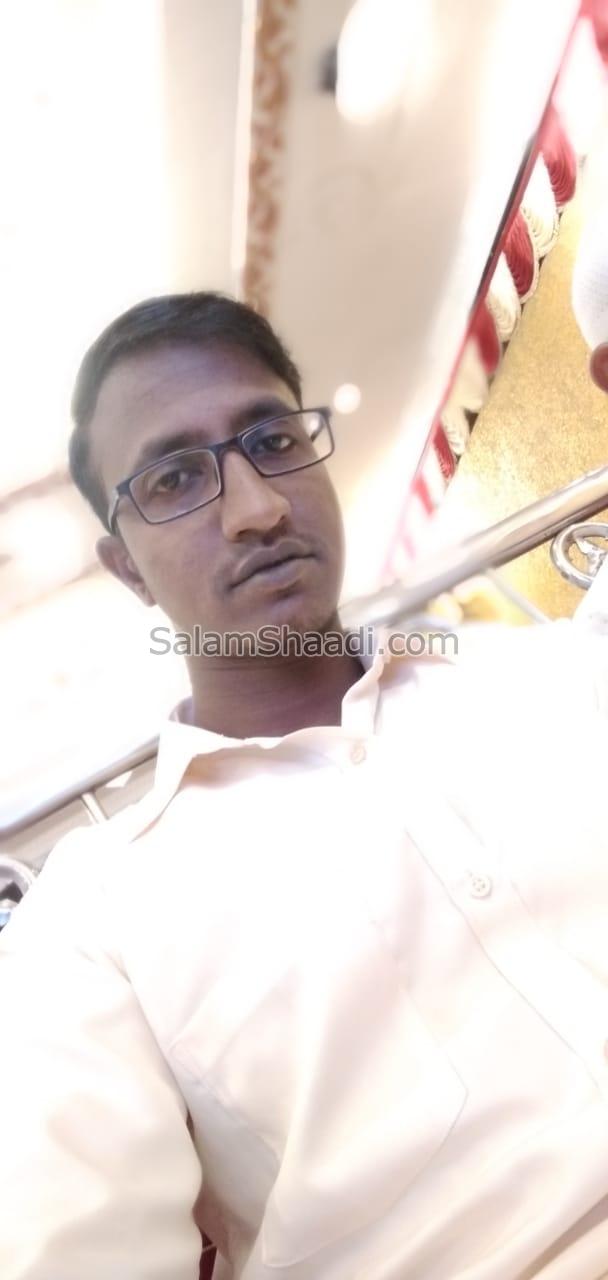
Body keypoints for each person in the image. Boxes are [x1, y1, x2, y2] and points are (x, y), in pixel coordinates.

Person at [1, 291, 608, 1280]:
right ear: (127, 568)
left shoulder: (547, 676)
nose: (258, 508)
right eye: (175, 477)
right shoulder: (93, 922)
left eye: (274, 441)